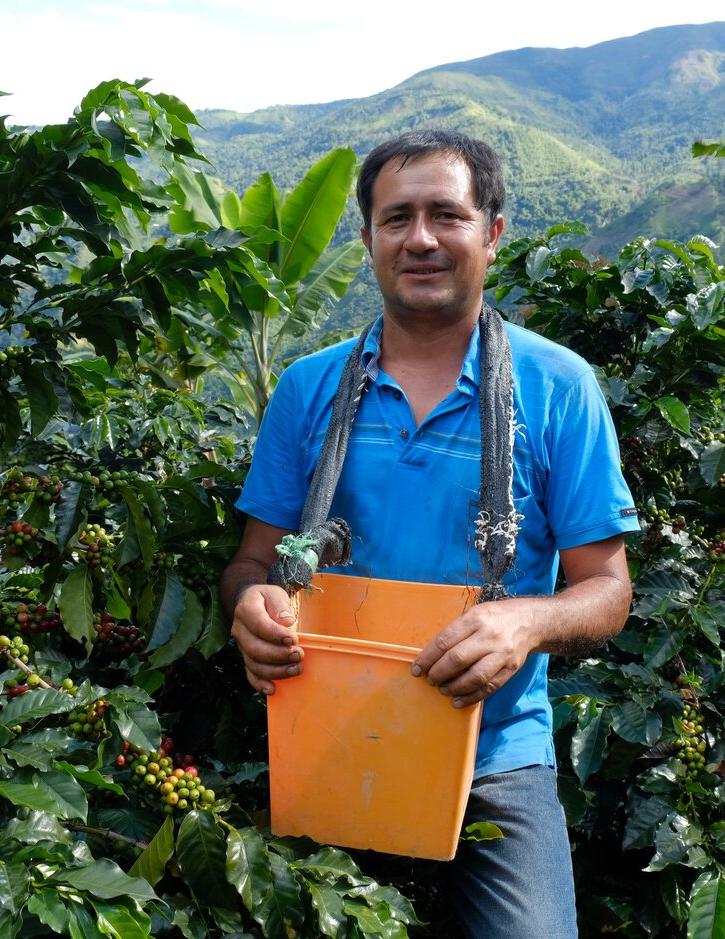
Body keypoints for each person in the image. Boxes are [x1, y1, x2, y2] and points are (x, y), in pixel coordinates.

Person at [221, 128, 640, 939]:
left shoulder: (557, 387)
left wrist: (528, 618)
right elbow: (250, 561)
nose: (419, 238)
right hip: (325, 734)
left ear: (492, 232)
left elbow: (608, 589)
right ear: (369, 238)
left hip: (494, 749)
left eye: (446, 214)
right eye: (395, 217)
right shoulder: (308, 389)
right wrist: (253, 604)